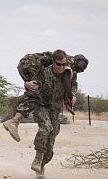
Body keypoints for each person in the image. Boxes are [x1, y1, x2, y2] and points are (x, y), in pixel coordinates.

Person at [3, 51, 88, 142]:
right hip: (29, 65)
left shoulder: (61, 62)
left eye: (81, 70)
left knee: (35, 89)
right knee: (37, 94)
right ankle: (14, 121)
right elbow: (67, 84)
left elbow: (71, 84)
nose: (79, 70)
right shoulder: (68, 63)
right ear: (76, 60)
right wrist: (69, 99)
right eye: (79, 68)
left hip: (26, 64)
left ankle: (17, 101)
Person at [29, 49, 74, 178]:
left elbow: (73, 86)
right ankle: (37, 158)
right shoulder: (43, 72)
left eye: (63, 64)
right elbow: (30, 83)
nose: (61, 67)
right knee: (46, 128)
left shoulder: (69, 73)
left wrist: (73, 97)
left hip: (55, 110)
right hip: (41, 106)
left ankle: (41, 167)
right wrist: (27, 84)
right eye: (58, 64)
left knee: (50, 146)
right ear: (53, 62)